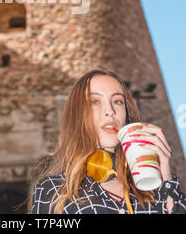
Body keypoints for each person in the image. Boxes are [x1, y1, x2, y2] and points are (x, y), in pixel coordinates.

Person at [28, 69, 186, 214]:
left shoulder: (154, 188)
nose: (110, 111)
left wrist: (166, 177)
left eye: (118, 101)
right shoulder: (52, 190)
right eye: (94, 101)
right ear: (78, 116)